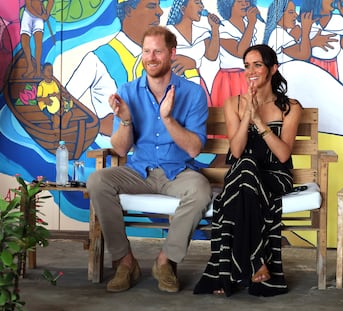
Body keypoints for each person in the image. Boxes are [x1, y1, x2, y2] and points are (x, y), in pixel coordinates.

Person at [86, 26, 212, 294]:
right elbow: (120, 150)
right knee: (97, 180)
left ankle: (166, 261)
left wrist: (168, 119)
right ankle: (125, 262)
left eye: (157, 51)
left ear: (171, 53)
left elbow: (194, 150)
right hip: (138, 171)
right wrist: (126, 120)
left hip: (177, 172)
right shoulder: (128, 91)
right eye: (146, 51)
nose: (151, 57)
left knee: (200, 190)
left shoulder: (193, 93)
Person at [193, 44, 302, 297]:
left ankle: (227, 273)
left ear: (272, 69)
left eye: (257, 65)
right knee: (245, 168)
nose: (250, 71)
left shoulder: (290, 107)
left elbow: (284, 155)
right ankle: (256, 262)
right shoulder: (233, 103)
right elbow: (238, 150)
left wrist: (259, 121)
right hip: (244, 175)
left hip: (274, 176)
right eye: (246, 66)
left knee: (242, 179)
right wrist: (246, 117)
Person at [66, 0, 164, 137]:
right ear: (129, 10)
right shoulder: (97, 59)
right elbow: (65, 104)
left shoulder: (160, 61)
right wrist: (97, 125)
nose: (160, 12)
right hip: (112, 153)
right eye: (151, 6)